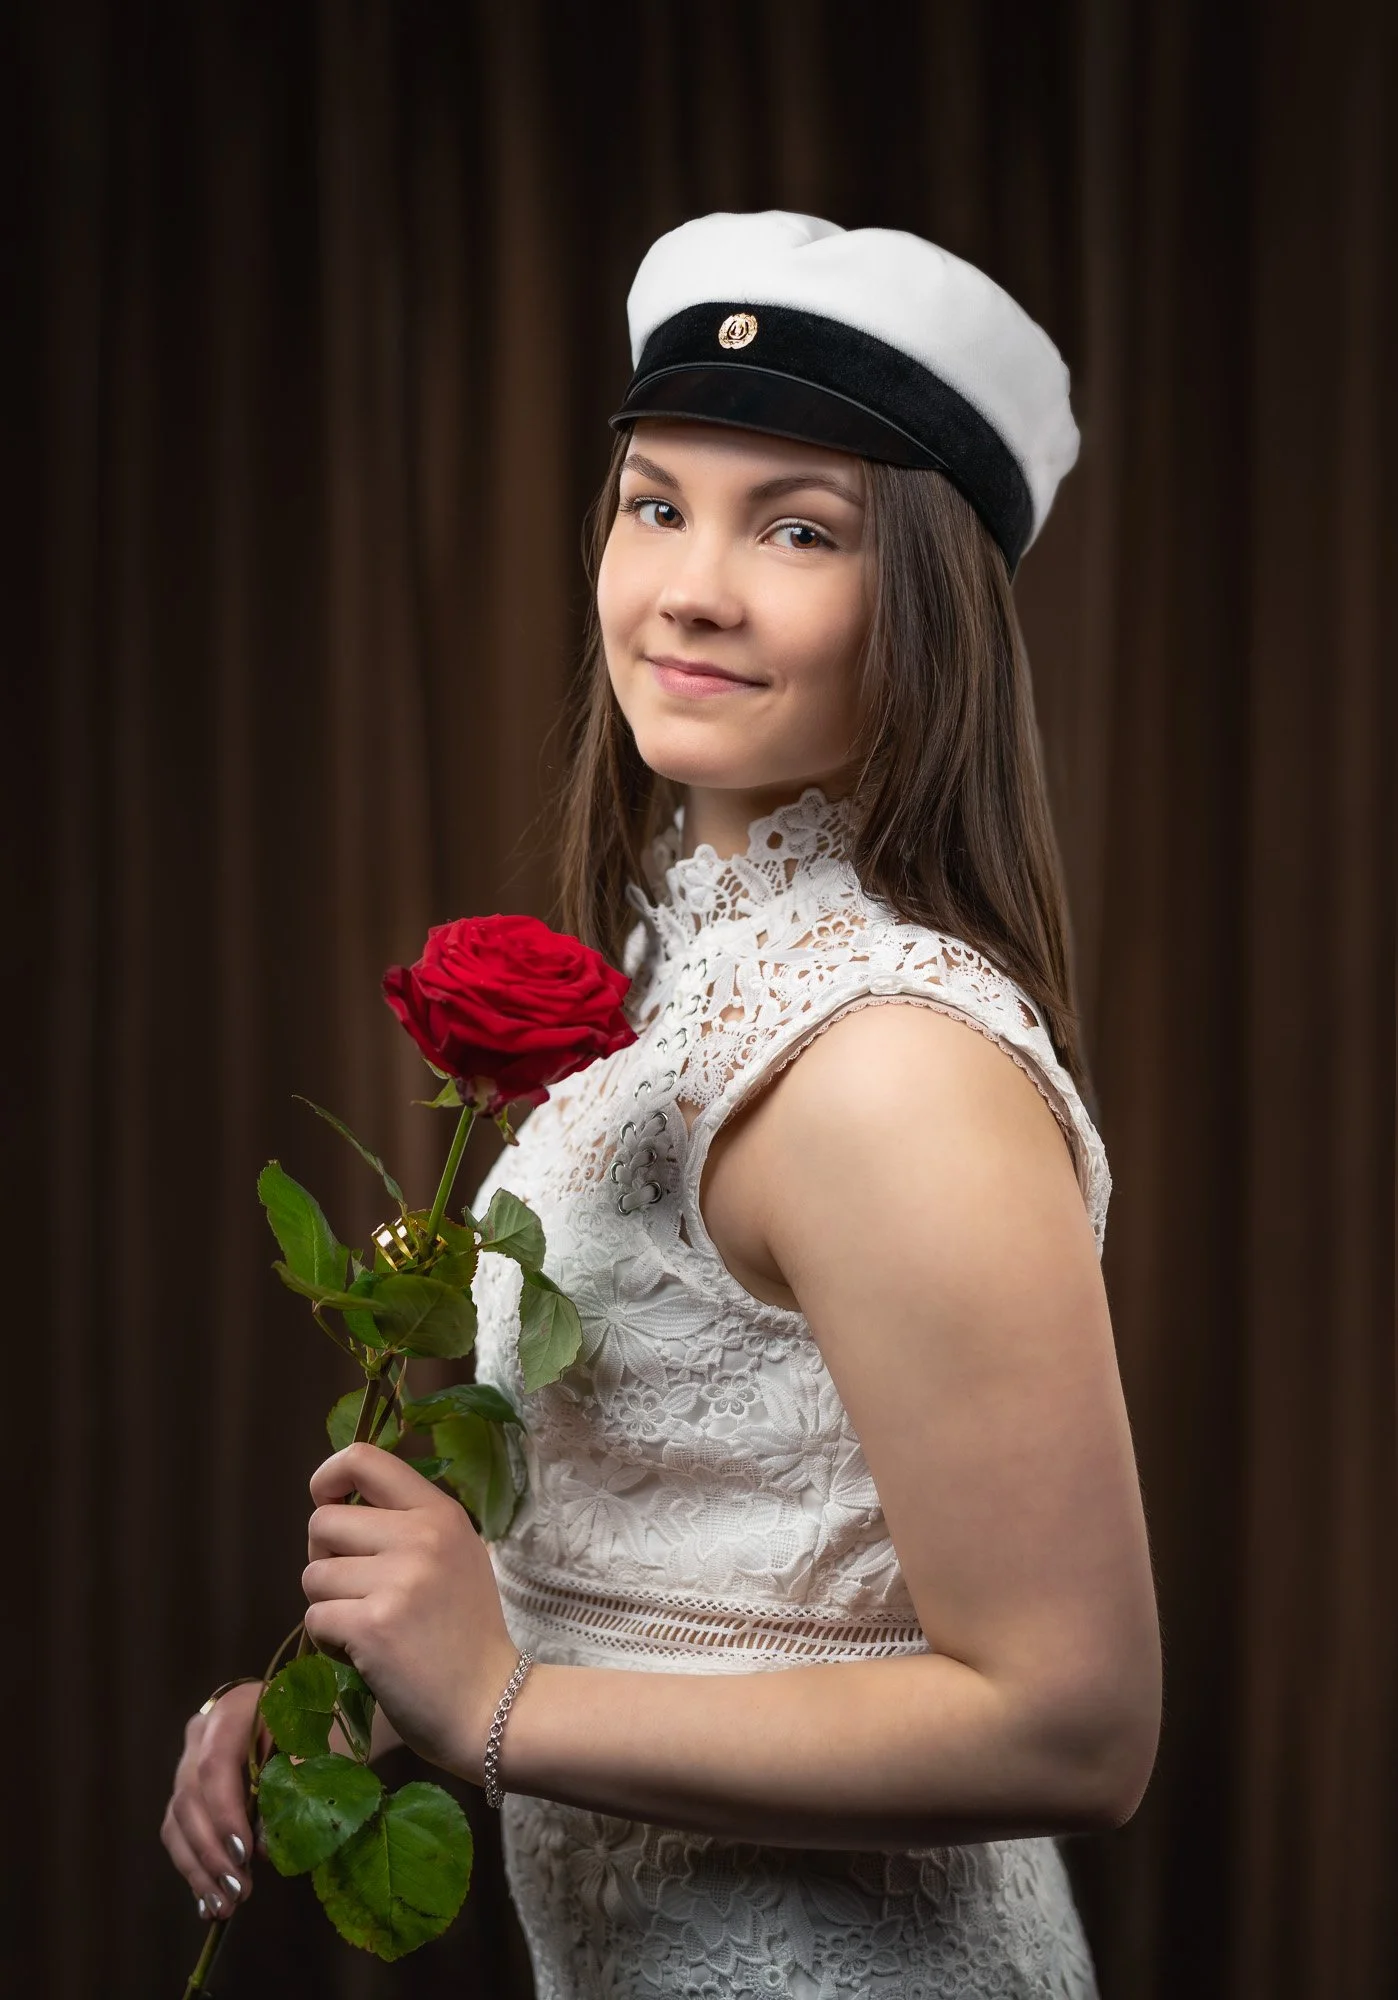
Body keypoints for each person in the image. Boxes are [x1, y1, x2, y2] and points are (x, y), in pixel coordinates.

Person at [164, 210, 1161, 1997]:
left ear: (924, 601)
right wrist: (369, 1701)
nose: (690, 585)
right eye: (655, 503)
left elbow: (1072, 1726)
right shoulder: (678, 979)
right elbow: (705, 1559)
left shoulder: (889, 1062)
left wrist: (500, 1701)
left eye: (796, 527)